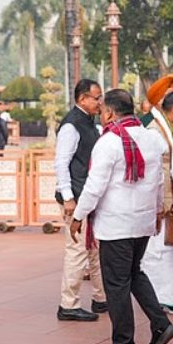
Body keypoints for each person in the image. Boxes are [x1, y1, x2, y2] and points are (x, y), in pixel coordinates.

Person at [70, 88, 173, 344]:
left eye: (102, 110)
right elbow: (158, 180)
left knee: (116, 284)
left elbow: (95, 186)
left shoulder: (109, 142)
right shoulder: (151, 138)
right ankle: (161, 323)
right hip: (141, 221)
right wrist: (156, 211)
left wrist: (79, 215)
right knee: (134, 273)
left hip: (116, 223)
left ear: (109, 112)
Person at [55, 80, 108, 322]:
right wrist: (68, 198)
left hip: (88, 196)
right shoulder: (71, 125)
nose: (100, 102)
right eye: (96, 98)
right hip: (75, 198)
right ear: (82, 99)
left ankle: (101, 298)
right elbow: (61, 163)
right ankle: (68, 304)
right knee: (77, 250)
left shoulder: (90, 123)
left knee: (95, 249)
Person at [141, 77, 173, 314]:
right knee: (159, 251)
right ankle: (161, 297)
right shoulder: (152, 129)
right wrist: (157, 202)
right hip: (160, 200)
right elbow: (151, 170)